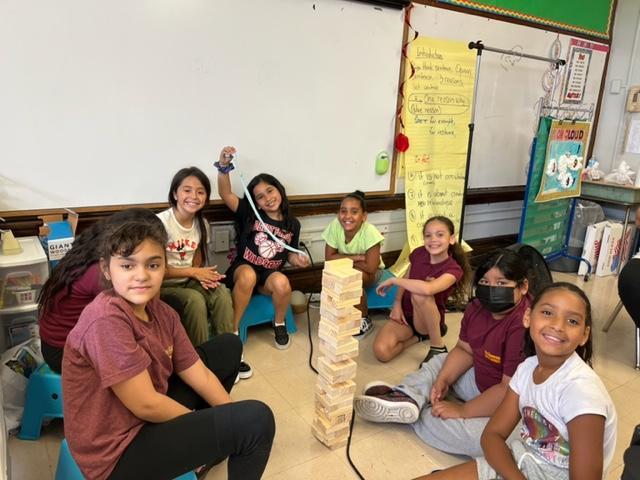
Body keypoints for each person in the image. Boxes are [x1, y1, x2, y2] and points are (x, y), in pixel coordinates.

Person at [62, 216, 275, 480]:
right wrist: (203, 431)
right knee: (256, 420)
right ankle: (206, 449)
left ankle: (208, 453)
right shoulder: (106, 319)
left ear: (165, 266)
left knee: (228, 347)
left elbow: (200, 374)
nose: (141, 276)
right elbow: (146, 405)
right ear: (107, 269)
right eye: (127, 265)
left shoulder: (163, 313)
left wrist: (226, 418)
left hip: (142, 417)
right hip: (116, 452)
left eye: (153, 264)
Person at [417, 282, 617, 480]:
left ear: (584, 335)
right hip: (521, 462)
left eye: (572, 321)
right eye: (547, 313)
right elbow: (492, 435)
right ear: (528, 317)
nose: (558, 325)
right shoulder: (527, 368)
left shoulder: (581, 392)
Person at [354, 249, 530, 458]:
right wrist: (442, 380)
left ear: (523, 287)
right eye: (485, 282)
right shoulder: (476, 307)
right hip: (478, 380)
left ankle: (416, 412)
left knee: (484, 440)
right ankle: (408, 396)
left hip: (511, 403)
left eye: (501, 283)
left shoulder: (523, 324)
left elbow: (508, 389)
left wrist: (463, 411)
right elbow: (464, 350)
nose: (492, 289)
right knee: (440, 362)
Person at [38, 208, 160, 373]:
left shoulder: (91, 250)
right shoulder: (101, 271)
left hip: (54, 342)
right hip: (63, 350)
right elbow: (132, 317)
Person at [217, 145, 309, 355]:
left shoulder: (293, 224)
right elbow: (225, 193)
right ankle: (233, 330)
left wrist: (298, 260)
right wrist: (223, 166)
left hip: (268, 276)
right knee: (248, 275)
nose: (267, 198)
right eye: (260, 196)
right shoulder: (249, 213)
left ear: (279, 191)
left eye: (270, 191)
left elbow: (290, 253)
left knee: (282, 283)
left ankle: (279, 323)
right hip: (243, 269)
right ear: (256, 203)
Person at [371, 216, 471, 364]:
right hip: (406, 315)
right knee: (382, 352)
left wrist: (394, 280)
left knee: (420, 293)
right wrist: (397, 304)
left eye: (440, 234)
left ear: (451, 239)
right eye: (428, 235)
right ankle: (419, 338)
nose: (433, 239)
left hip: (426, 320)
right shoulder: (418, 253)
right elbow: (407, 277)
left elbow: (428, 289)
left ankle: (438, 347)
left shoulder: (454, 270)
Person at [157, 167, 234, 351]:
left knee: (221, 292)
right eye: (187, 190)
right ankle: (200, 356)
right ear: (175, 194)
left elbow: (197, 260)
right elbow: (155, 270)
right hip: (162, 286)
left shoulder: (202, 224)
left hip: (188, 280)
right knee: (195, 300)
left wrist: (203, 277)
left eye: (200, 192)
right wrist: (194, 272)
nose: (194, 196)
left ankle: (227, 351)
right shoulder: (160, 223)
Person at [322, 190, 384, 339]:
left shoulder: (370, 231)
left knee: (352, 278)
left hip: (372, 272)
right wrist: (357, 257)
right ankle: (340, 313)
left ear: (364, 216)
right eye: (343, 211)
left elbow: (371, 267)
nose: (347, 216)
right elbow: (329, 259)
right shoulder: (335, 226)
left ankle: (364, 318)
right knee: (333, 275)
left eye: (354, 212)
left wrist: (343, 260)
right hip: (353, 266)